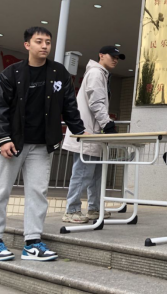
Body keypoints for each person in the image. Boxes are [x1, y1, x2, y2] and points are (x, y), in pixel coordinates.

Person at [0, 27, 85, 262]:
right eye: (39, 41)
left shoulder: (59, 72)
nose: (44, 46)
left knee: (38, 193)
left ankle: (32, 243)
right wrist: (4, 138)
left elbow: (69, 104)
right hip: (10, 143)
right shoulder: (11, 73)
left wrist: (80, 130)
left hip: (41, 144)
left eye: (48, 42)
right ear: (27, 45)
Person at [61, 46, 125, 224]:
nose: (115, 60)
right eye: (112, 56)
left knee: (96, 174)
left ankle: (94, 208)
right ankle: (72, 210)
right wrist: (108, 124)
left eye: (117, 58)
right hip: (88, 132)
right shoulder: (96, 73)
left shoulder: (101, 74)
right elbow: (96, 103)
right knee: (83, 173)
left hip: (93, 133)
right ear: (101, 55)